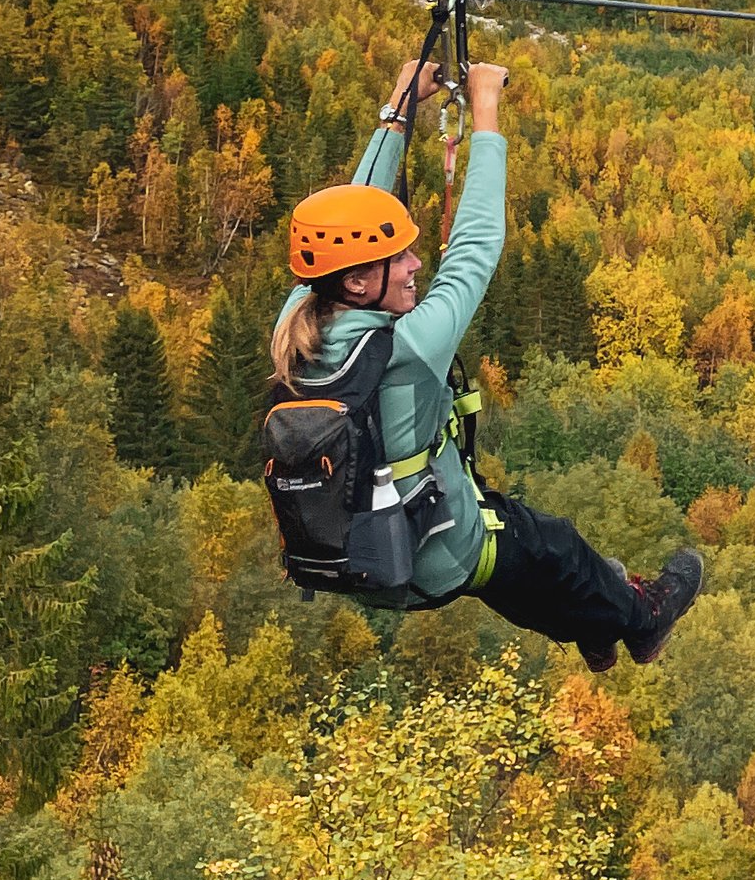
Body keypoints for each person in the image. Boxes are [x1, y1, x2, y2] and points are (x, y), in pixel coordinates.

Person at [274, 52, 703, 670]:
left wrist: (400, 106)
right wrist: (485, 112)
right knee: (550, 545)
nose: (416, 265)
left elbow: (355, 207)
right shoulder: (409, 347)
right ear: (361, 282)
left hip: (367, 549)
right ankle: (642, 620)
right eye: (400, 258)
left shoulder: (298, 323)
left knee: (529, 568)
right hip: (433, 550)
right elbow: (476, 247)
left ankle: (592, 626)